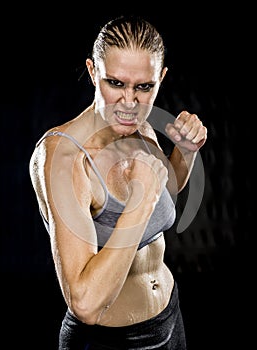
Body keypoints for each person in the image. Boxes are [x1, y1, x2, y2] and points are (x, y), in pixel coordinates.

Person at [29, 14, 207, 350]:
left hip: (170, 315)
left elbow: (164, 192)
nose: (129, 102)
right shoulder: (64, 157)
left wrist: (185, 154)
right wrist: (138, 206)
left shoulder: (140, 126)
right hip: (110, 341)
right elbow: (84, 303)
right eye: (115, 83)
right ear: (93, 71)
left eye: (144, 87)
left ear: (161, 78)